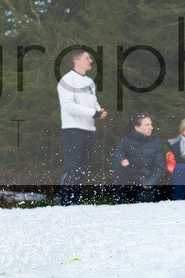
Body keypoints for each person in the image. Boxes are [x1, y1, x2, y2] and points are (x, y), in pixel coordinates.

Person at [57, 49, 107, 205]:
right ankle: (66, 203)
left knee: (83, 169)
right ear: (76, 61)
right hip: (73, 129)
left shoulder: (90, 82)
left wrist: (99, 111)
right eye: (87, 58)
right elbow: (68, 106)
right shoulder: (67, 80)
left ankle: (75, 203)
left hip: (89, 130)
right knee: (72, 169)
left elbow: (93, 102)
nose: (90, 60)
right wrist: (93, 112)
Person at [109, 114, 165, 204]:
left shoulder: (157, 142)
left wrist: (149, 183)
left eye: (151, 124)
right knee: (118, 167)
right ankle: (119, 202)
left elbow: (159, 167)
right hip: (130, 180)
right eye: (147, 125)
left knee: (143, 204)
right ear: (136, 127)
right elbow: (117, 154)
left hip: (147, 180)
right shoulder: (126, 140)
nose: (151, 127)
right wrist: (122, 159)